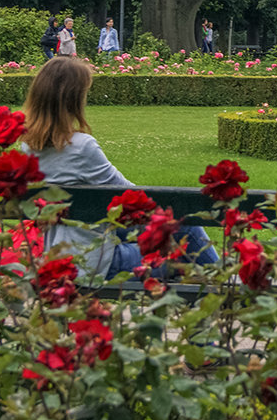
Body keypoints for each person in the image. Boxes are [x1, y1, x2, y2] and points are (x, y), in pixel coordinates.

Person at [18, 57, 218, 278]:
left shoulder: (27, 148)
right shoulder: (81, 147)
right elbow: (129, 194)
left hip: (57, 253)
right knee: (184, 231)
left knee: (172, 232)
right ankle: (226, 282)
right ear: (74, 99)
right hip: (94, 262)